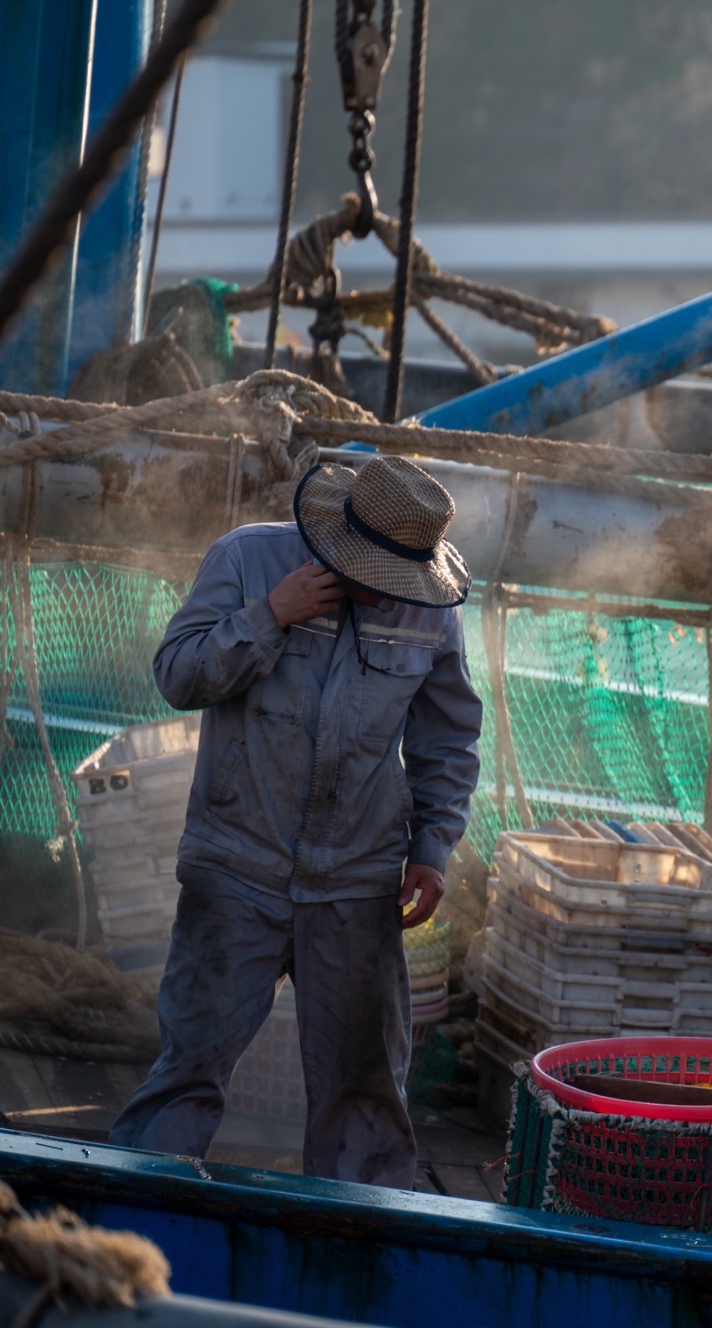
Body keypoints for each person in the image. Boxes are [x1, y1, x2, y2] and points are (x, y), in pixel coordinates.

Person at [109, 456, 482, 1189]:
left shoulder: (430, 607)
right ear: (339, 534)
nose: (387, 589)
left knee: (365, 1093)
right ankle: (131, 1222)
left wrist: (433, 847)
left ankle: (358, 1253)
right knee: (188, 1066)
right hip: (234, 866)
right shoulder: (249, 559)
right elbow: (177, 674)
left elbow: (447, 739)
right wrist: (268, 615)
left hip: (357, 883)